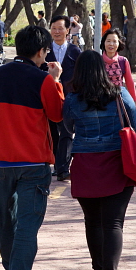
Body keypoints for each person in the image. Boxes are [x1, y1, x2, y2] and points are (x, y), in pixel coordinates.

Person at [0, 25, 64, 270]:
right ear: (41, 51)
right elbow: (57, 115)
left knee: (5, 221)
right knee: (28, 222)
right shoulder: (43, 80)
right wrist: (55, 80)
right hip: (33, 163)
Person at [62, 50, 136, 270]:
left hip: (85, 162)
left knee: (92, 221)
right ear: (103, 70)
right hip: (117, 162)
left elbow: (68, 127)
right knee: (114, 222)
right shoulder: (119, 94)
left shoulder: (73, 99)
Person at [46, 15, 82, 181]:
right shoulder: (44, 50)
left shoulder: (75, 51)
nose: (57, 31)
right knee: (52, 132)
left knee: (67, 132)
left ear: (68, 30)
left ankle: (63, 168)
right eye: (54, 28)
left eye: (60, 28)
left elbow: (81, 75)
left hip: (69, 98)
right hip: (48, 96)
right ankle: (56, 163)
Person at [100, 29, 136, 108]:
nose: (111, 44)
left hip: (119, 101)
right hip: (101, 102)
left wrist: (134, 101)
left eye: (114, 41)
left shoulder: (123, 61)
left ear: (119, 43)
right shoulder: (97, 61)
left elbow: (129, 82)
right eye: (108, 41)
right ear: (104, 42)